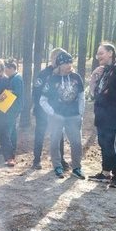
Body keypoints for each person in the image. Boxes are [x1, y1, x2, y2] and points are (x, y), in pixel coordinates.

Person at [88, 42, 116, 187]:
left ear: (110, 53)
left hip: (114, 115)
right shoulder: (105, 70)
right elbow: (94, 94)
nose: (98, 56)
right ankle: (105, 173)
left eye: (101, 53)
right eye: (97, 54)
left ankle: (115, 175)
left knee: (111, 144)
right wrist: (94, 76)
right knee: (103, 143)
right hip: (101, 114)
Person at [39, 50, 85, 179]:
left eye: (70, 62)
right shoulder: (52, 79)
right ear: (59, 65)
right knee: (54, 142)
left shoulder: (76, 77)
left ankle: (76, 168)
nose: (69, 65)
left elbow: (82, 96)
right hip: (57, 116)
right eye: (65, 63)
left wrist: (80, 113)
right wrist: (52, 113)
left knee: (76, 143)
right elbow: (43, 100)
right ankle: (57, 166)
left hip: (73, 115)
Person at [32, 49, 70, 170]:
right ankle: (36, 160)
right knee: (40, 134)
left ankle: (60, 160)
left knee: (59, 136)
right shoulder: (44, 74)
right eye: (59, 57)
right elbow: (36, 92)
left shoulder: (64, 74)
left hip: (58, 112)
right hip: (42, 111)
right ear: (53, 58)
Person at [4, 59, 24, 155]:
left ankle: (10, 148)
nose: (5, 72)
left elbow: (18, 93)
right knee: (11, 127)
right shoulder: (11, 77)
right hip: (10, 106)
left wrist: (11, 92)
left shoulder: (17, 78)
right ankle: (10, 146)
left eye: (6, 70)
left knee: (10, 127)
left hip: (14, 107)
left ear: (12, 68)